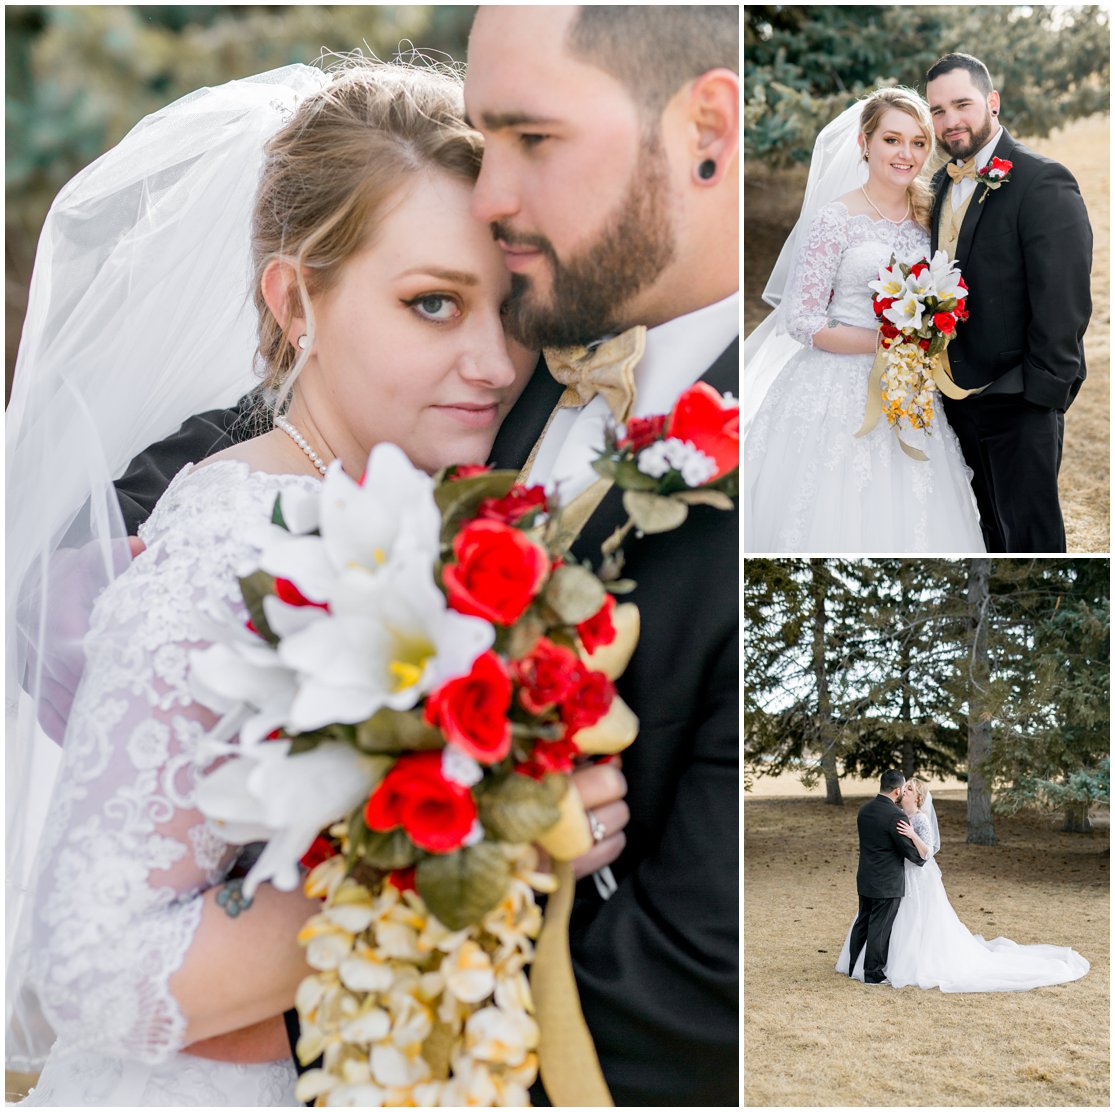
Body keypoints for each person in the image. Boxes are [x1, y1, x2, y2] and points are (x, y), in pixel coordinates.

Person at [64, 6, 740, 1105]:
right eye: (433, 303)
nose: (489, 359)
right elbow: (86, 968)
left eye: (507, 308)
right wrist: (467, 861)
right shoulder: (221, 538)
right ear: (295, 300)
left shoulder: (480, 443)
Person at [743, 87, 986, 553]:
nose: (906, 154)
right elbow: (803, 320)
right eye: (892, 140)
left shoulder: (929, 217)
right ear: (865, 142)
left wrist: (929, 328)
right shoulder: (836, 218)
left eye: (918, 143)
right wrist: (887, 339)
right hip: (833, 390)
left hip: (909, 389)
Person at [925, 52, 1092, 553]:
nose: (950, 120)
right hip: (952, 405)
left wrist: (1040, 398)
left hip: (1019, 403)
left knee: (1031, 543)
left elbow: (1063, 302)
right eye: (937, 110)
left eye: (962, 104)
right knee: (983, 539)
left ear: (992, 102)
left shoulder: (1042, 180)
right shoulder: (937, 184)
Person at [838, 778, 1090, 991]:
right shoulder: (895, 815)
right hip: (895, 877)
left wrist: (913, 835)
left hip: (918, 878)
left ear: (918, 798)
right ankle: (881, 963)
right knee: (891, 921)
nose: (905, 791)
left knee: (917, 922)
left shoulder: (920, 820)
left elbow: (927, 854)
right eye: (905, 788)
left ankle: (910, 964)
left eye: (911, 789)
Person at [840, 770, 928, 985]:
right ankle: (873, 973)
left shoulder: (864, 810)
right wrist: (920, 858)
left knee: (862, 922)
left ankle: (854, 967)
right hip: (887, 881)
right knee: (880, 926)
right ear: (897, 790)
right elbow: (911, 852)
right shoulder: (895, 815)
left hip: (866, 877)